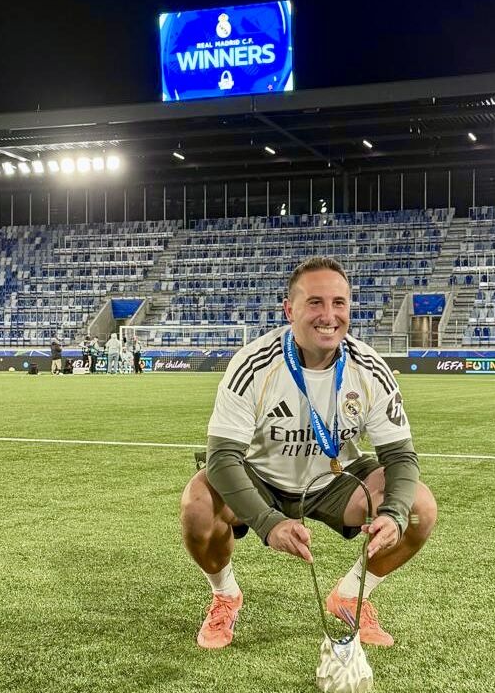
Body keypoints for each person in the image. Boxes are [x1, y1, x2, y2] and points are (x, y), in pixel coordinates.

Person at [181, 255, 437, 650]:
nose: (329, 316)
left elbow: (401, 458)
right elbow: (222, 459)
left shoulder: (370, 368)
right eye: (315, 302)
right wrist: (268, 523)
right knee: (197, 503)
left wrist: (394, 514)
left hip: (338, 480)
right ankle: (225, 596)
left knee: (419, 508)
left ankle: (351, 595)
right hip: (261, 479)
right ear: (290, 310)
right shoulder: (253, 364)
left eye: (339, 303)